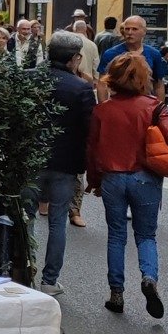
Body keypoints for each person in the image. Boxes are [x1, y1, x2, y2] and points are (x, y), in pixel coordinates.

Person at [86, 53, 168, 318]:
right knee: (146, 235)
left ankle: (116, 294)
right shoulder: (154, 107)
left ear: (112, 78)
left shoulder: (102, 110)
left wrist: (94, 181)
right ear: (144, 78)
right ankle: (149, 278)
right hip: (146, 177)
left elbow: (92, 150)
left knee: (116, 235)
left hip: (112, 178)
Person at [36, 33, 95, 296]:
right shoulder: (81, 88)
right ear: (74, 59)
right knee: (58, 221)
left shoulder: (29, 78)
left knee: (23, 216)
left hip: (30, 159)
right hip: (65, 163)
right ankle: (49, 281)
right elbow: (89, 129)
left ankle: (18, 271)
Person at [97, 15, 168, 102]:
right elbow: (102, 83)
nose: (130, 32)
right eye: (127, 29)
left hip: (145, 105)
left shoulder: (154, 54)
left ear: (144, 32)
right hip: (118, 103)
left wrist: (159, 110)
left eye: (134, 29)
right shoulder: (111, 54)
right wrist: (104, 107)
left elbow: (158, 84)